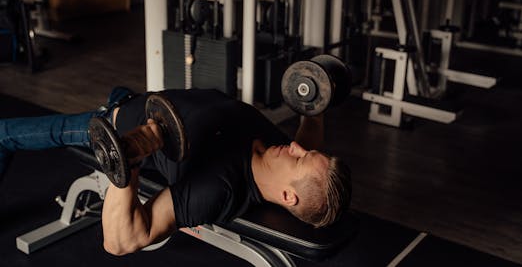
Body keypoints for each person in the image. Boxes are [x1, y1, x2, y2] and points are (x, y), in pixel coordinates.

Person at [0, 87, 352, 256]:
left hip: (109, 121)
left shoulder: (217, 188)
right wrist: (315, 105)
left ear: (288, 195)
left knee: (3, 135)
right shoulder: (278, 155)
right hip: (135, 95)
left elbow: (121, 242)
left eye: (301, 158)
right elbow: (309, 140)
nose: (297, 146)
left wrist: (129, 160)